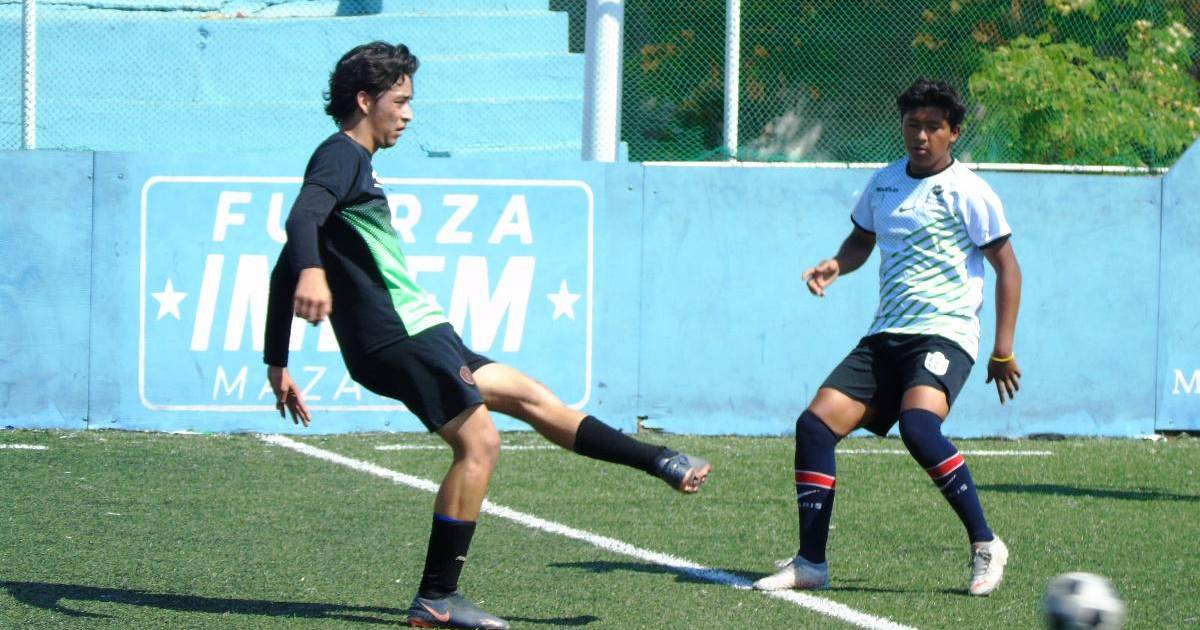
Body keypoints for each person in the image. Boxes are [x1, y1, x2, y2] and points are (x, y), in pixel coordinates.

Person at [262, 42, 711, 629]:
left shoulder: (354, 164)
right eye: (400, 101)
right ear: (365, 100)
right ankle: (437, 598)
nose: (409, 114)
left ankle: (661, 461)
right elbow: (299, 220)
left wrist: (277, 360)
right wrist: (314, 275)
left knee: (531, 397)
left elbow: (284, 264)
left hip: (424, 330)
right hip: (400, 336)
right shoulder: (340, 154)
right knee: (480, 445)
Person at [752, 78, 1022, 597]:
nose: (920, 135)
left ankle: (986, 543)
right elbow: (861, 239)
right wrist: (837, 264)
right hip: (886, 335)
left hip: (945, 334)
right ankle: (811, 563)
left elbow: (1008, 268)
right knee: (814, 426)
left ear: (954, 133)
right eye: (912, 125)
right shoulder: (885, 182)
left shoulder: (970, 191)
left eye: (933, 127)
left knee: (918, 427)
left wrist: (1003, 349)